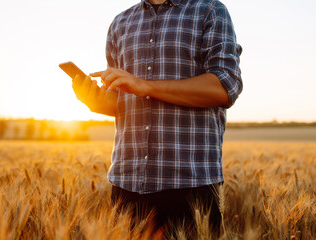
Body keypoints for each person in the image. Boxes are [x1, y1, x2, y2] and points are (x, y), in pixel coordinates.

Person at [71, 0, 242, 236]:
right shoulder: (120, 22)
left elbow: (225, 87)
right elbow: (121, 101)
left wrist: (145, 86)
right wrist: (94, 101)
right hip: (126, 186)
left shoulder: (210, 10)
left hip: (191, 186)